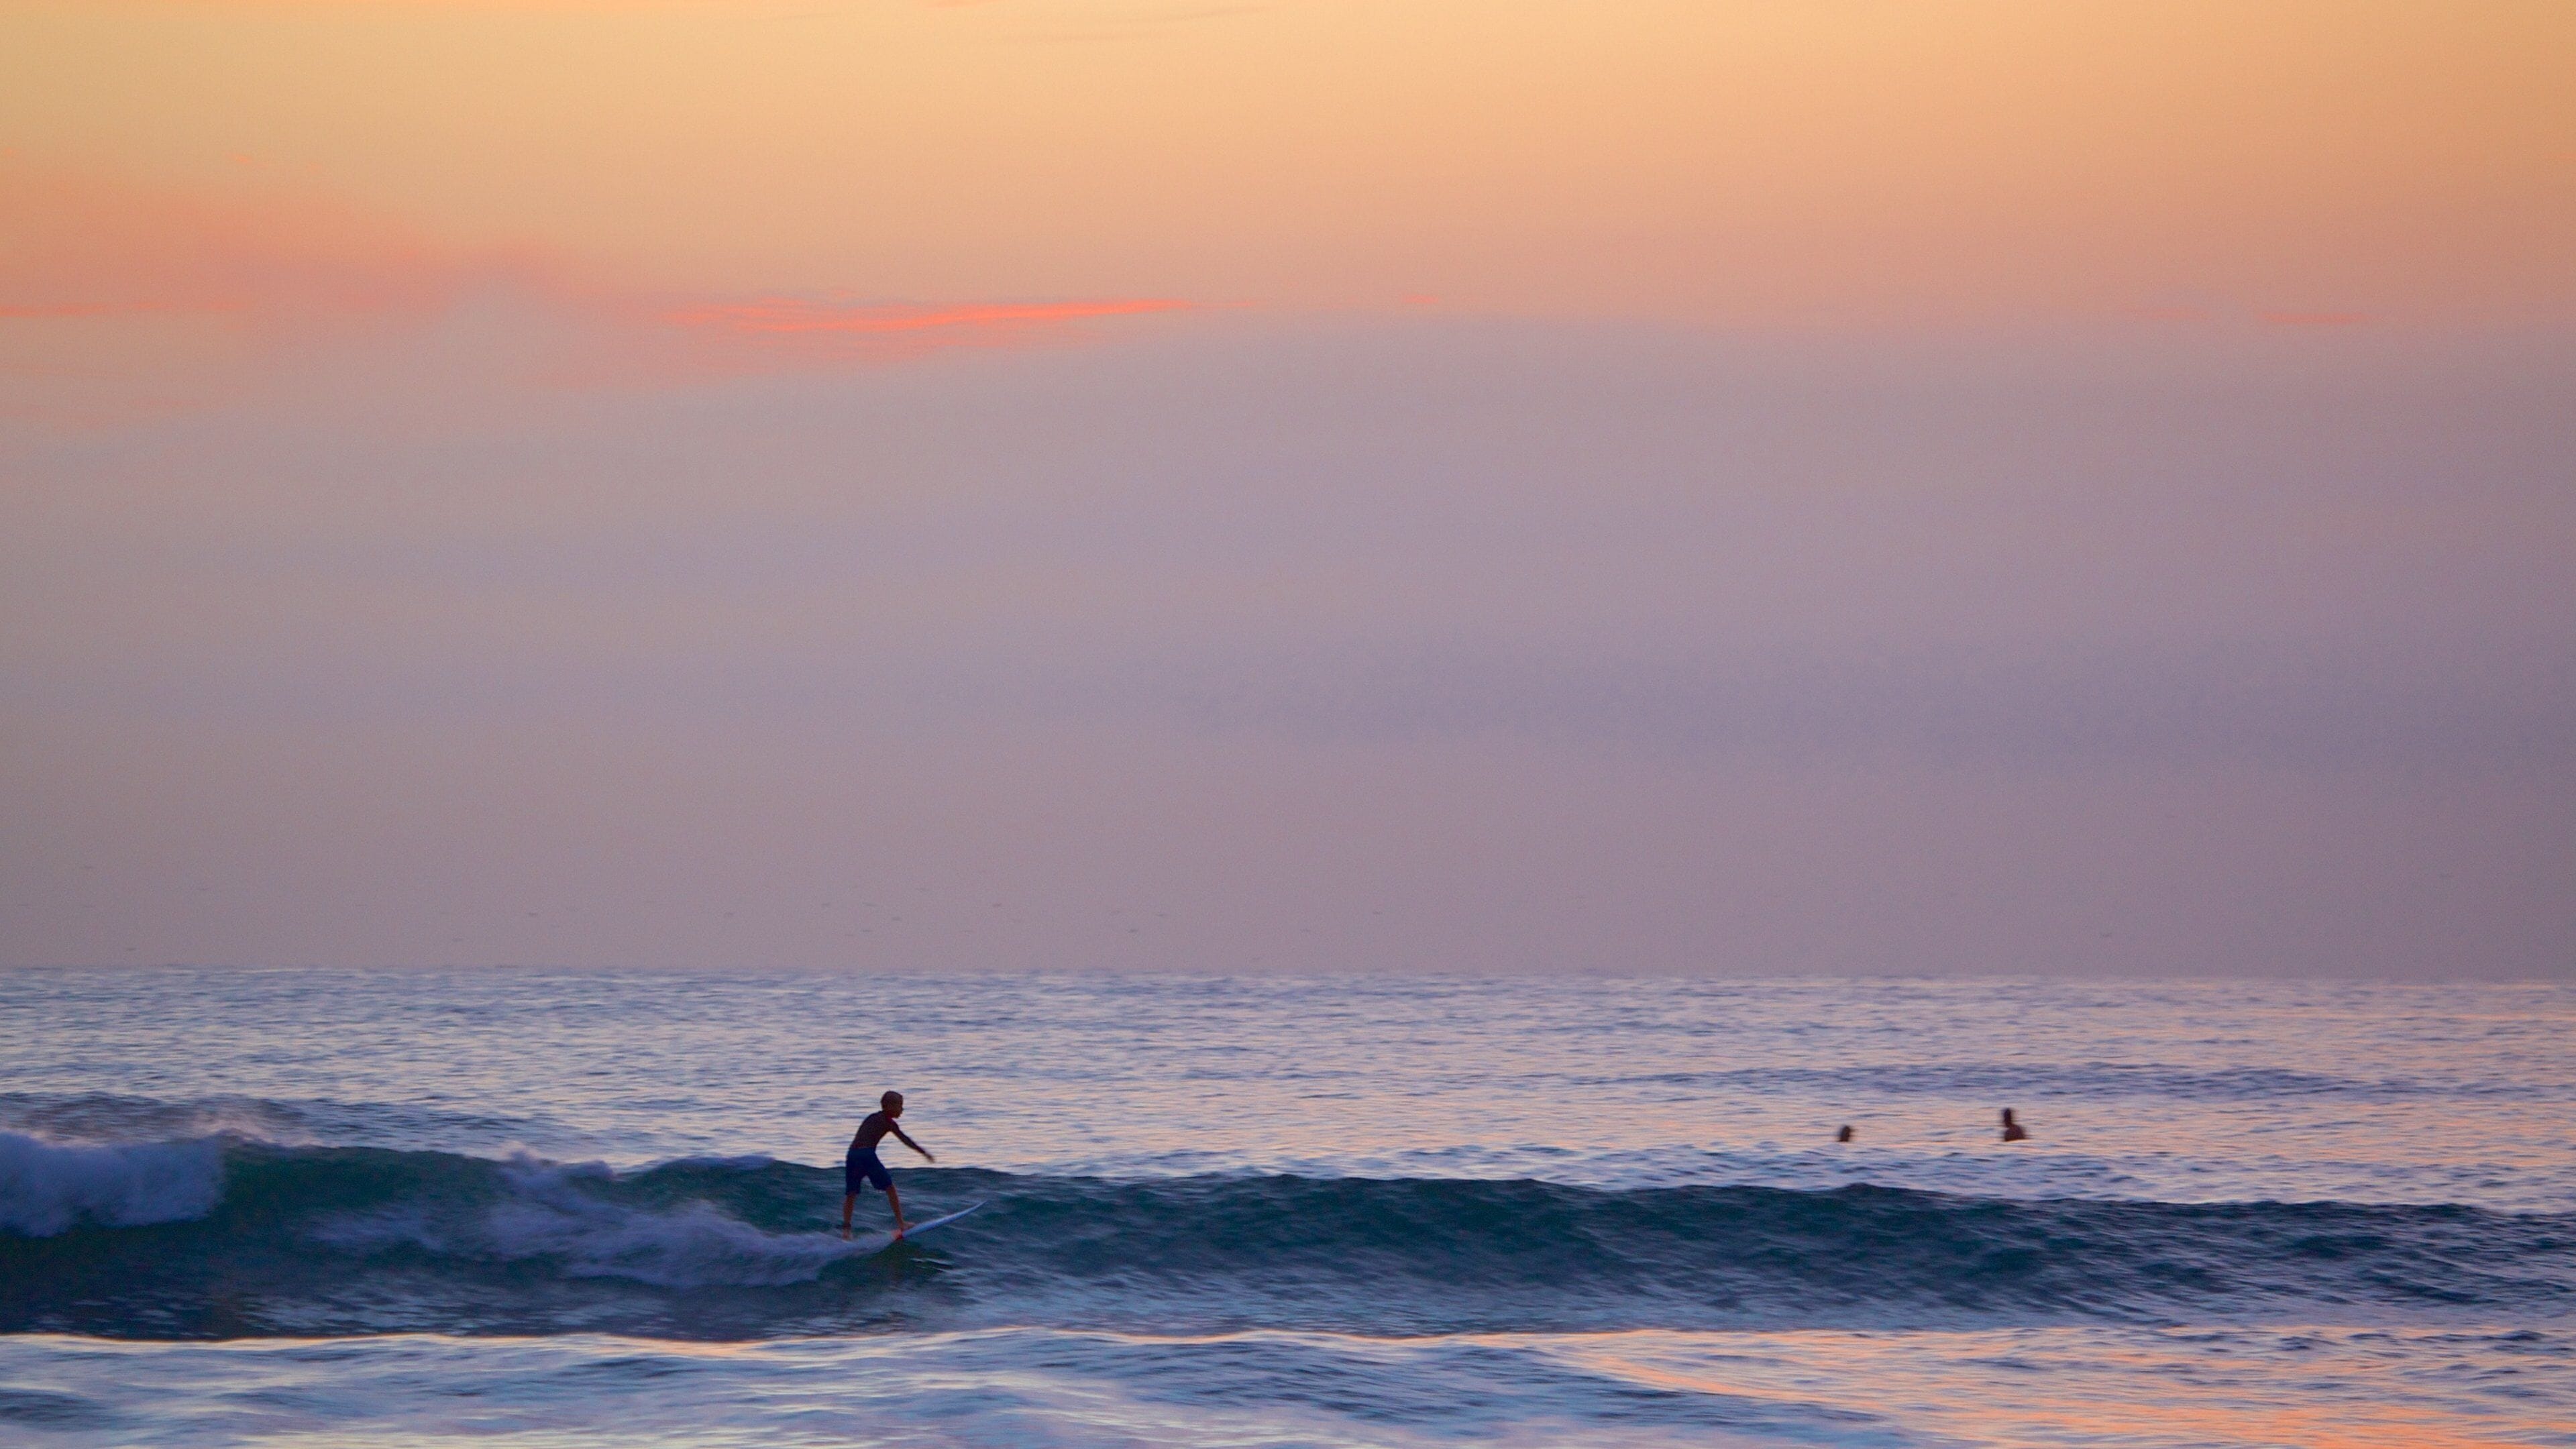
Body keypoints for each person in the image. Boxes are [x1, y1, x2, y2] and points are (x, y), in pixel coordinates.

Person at [841, 1090, 935, 1239]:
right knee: (891, 1189)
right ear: (889, 1106)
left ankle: (846, 1231)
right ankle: (901, 1223)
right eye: (900, 1106)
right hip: (866, 1155)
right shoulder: (889, 1123)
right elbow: (905, 1140)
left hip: (852, 1155)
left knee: (851, 1194)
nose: (902, 1110)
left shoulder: (872, 1117)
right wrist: (924, 1153)